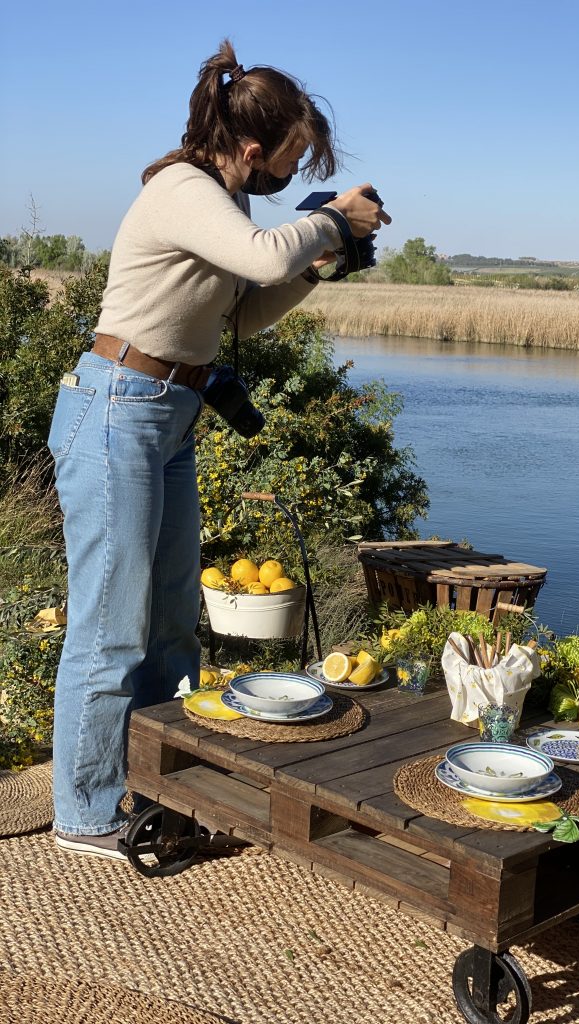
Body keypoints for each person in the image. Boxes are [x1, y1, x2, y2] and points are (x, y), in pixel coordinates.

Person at [47, 39, 391, 860]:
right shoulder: (183, 189)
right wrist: (332, 218)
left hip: (167, 413)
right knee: (110, 624)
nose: (294, 170)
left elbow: (243, 315)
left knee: (171, 623)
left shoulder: (226, 208)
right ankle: (85, 812)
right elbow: (263, 254)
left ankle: (161, 784)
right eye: (294, 154)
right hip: (118, 408)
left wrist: (321, 264)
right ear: (253, 146)